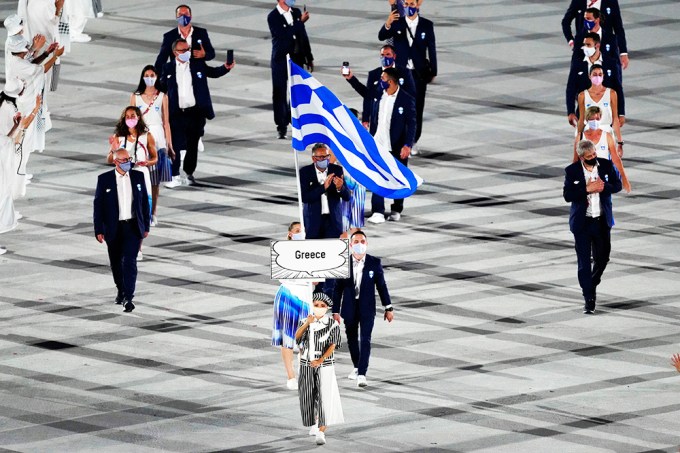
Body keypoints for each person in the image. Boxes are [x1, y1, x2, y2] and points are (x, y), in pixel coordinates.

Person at [159, 38, 234, 188]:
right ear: (175, 53)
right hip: (176, 113)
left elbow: (212, 72)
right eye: (182, 50)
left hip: (195, 113)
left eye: (188, 49)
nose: (187, 52)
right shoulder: (167, 68)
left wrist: (226, 67)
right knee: (175, 145)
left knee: (192, 145)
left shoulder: (197, 64)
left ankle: (189, 172)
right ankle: (175, 175)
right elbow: (160, 88)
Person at [563, 139, 622, 314]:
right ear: (581, 157)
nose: (593, 157)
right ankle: (589, 298)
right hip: (582, 223)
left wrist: (603, 187)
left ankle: (591, 284)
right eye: (589, 156)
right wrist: (587, 188)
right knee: (584, 262)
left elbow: (617, 185)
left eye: (594, 154)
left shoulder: (605, 165)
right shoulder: (572, 171)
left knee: (603, 258)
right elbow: (567, 195)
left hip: (602, 222)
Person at [332, 230, 393, 387]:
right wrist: (335, 311)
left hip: (367, 307)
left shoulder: (374, 262)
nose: (360, 244)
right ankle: (357, 366)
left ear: (366, 244)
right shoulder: (343, 263)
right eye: (356, 242)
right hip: (349, 307)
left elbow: (381, 286)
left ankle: (362, 374)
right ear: (351, 245)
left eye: (362, 241)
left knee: (365, 339)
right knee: (352, 339)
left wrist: (388, 307)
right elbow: (337, 288)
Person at [94, 148, 151, 312]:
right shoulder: (104, 179)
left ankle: (128, 297)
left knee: (130, 262)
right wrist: (98, 229)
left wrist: (145, 225)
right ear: (116, 161)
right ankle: (121, 289)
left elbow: (144, 204)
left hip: (132, 226)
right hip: (113, 228)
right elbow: (98, 206)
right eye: (124, 160)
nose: (128, 162)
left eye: (129, 159)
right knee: (116, 263)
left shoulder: (138, 177)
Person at [378, 0, 436, 152]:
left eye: (412, 4)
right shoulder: (398, 22)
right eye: (406, 4)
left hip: (418, 74)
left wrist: (433, 71)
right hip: (401, 73)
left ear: (419, 4)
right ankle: (397, 141)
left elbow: (432, 49)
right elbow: (381, 36)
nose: (409, 7)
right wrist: (388, 23)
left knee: (417, 108)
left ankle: (413, 141)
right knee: (398, 106)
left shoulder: (426, 25)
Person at [365, 68, 416, 224]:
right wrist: (350, 78)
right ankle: (378, 211)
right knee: (378, 176)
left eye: (383, 78)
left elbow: (412, 123)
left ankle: (396, 208)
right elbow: (365, 93)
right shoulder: (379, 95)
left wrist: (407, 145)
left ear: (391, 82)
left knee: (398, 178)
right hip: (379, 144)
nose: (380, 80)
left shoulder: (406, 99)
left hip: (397, 146)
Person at [295, 291, 344, 446]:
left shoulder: (332, 324)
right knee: (308, 395)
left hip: (325, 365)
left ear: (327, 307)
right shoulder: (305, 320)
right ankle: (314, 422)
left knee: (325, 396)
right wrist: (306, 324)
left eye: (322, 306)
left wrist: (321, 359)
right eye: (316, 305)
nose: (319, 308)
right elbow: (297, 338)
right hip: (306, 364)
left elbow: (333, 345)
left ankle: (321, 431)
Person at [130, 66, 174, 226]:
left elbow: (166, 122)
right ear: (142, 77)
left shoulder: (162, 97)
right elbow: (131, 121)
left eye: (152, 75)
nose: (149, 78)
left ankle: (153, 212)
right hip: (141, 143)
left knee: (155, 183)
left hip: (158, 143)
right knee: (139, 179)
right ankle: (139, 211)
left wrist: (169, 144)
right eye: (147, 75)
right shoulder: (135, 97)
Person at [0, 79, 40, 255]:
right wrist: (35, 110)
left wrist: (17, 127)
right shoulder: (10, 108)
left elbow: (9, 137)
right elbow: (14, 136)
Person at [272, 221, 313, 390]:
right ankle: (291, 376)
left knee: (308, 339)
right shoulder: (282, 250)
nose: (300, 233)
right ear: (290, 234)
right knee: (287, 337)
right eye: (297, 231)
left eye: (303, 230)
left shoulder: (315, 250)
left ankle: (306, 372)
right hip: (288, 294)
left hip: (307, 297)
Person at [267, 0, 313, 139]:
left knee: (296, 91)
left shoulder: (296, 12)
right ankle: (281, 126)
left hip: (296, 58)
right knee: (280, 92)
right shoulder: (273, 16)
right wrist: (300, 22)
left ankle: (294, 120)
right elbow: (283, 35)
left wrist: (308, 57)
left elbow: (302, 36)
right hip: (280, 59)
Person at [342, 44, 415, 129]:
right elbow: (368, 96)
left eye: (388, 54)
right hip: (378, 119)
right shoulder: (374, 74)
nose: (385, 57)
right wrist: (351, 78)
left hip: (397, 118)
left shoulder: (404, 73)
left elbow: (411, 94)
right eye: (382, 55)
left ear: (394, 56)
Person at [565, 33, 624, 131]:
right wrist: (570, 111)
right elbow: (571, 88)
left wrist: (620, 113)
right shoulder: (578, 64)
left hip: (606, 115)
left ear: (597, 46)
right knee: (583, 144)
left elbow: (618, 88)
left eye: (588, 45)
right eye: (584, 45)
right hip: (584, 114)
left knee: (606, 144)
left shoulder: (610, 63)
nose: (585, 48)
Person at [107, 106, 158, 219]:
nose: (130, 119)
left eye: (133, 116)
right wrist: (114, 150)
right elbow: (109, 160)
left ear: (138, 117)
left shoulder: (147, 136)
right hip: (124, 172)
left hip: (141, 171)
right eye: (127, 117)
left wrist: (147, 162)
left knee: (145, 196)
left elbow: (155, 158)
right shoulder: (118, 137)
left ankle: (145, 221)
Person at [299, 143, 350, 239]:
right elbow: (305, 198)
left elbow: (347, 196)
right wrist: (323, 187)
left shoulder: (337, 170)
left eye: (327, 156)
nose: (325, 159)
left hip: (333, 221)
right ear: (314, 158)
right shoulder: (305, 172)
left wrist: (340, 188)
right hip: (313, 221)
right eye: (321, 157)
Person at [562, 1, 628, 72]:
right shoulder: (579, 1)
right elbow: (566, 22)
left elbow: (618, 28)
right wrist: (571, 41)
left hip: (605, 49)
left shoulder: (611, 2)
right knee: (580, 78)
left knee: (607, 79)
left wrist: (623, 52)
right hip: (583, 48)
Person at [576, 106, 631, 193]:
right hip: (586, 174)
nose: (595, 121)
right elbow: (576, 158)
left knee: (606, 203)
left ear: (600, 118)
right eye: (592, 119)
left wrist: (624, 179)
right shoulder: (581, 136)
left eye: (597, 118)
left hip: (603, 174)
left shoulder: (607, 136)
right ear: (587, 120)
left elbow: (616, 158)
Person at [576, 64, 624, 156]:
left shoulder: (612, 93)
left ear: (603, 76)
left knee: (609, 165)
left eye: (600, 74)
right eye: (594, 74)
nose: (597, 77)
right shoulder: (582, 95)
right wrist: (578, 140)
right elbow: (581, 120)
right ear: (589, 76)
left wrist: (620, 142)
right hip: (589, 135)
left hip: (607, 134)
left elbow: (615, 120)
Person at [153, 4, 215, 74]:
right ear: (176, 17)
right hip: (177, 76)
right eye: (180, 14)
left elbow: (212, 54)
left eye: (186, 14)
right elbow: (161, 59)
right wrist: (157, 79)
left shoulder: (201, 33)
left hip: (197, 76)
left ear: (191, 16)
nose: (183, 17)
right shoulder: (169, 36)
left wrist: (204, 55)